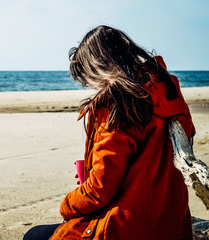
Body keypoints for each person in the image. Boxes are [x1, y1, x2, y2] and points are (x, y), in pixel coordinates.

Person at [23, 25, 195, 240]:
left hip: (127, 225)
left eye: (87, 78)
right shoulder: (167, 92)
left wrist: (66, 205)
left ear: (97, 68)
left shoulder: (117, 103)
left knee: (33, 236)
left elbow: (100, 190)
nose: (92, 86)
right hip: (171, 221)